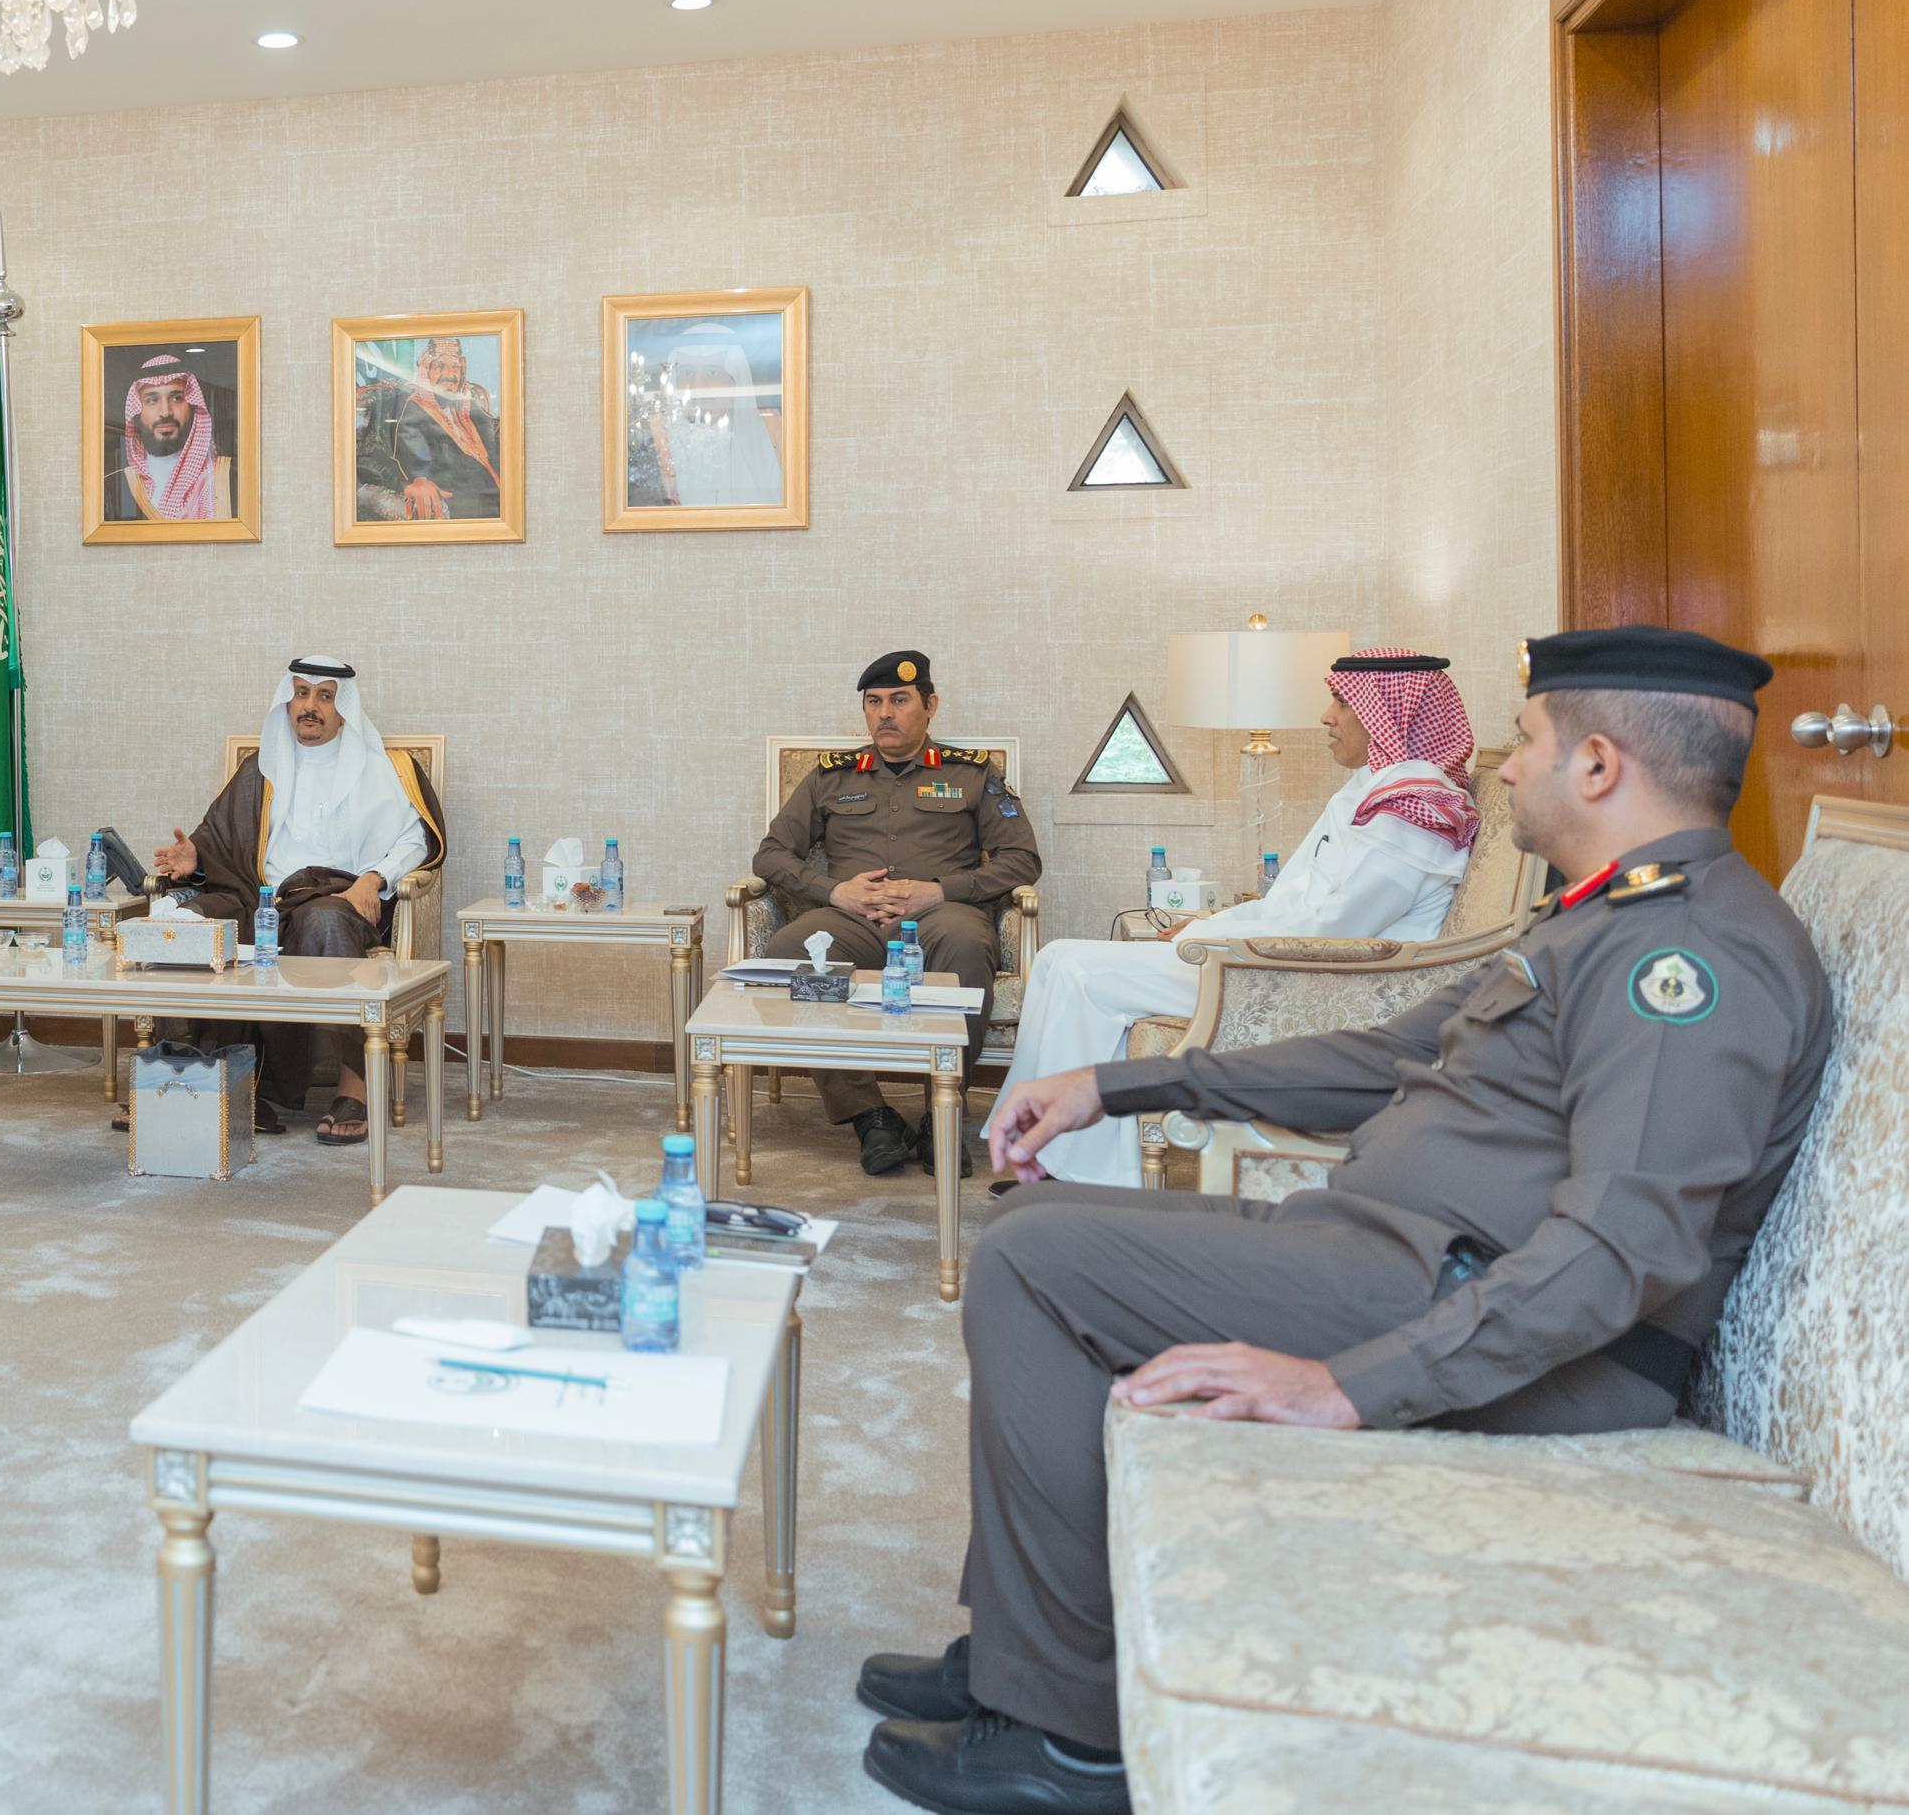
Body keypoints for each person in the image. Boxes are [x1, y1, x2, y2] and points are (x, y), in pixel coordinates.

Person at [850, 626, 1832, 1815]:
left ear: (1596, 765)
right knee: (1051, 1224)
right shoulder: (1593, 918)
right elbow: (1378, 1055)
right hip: (1392, 1254)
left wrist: (1347, 1386)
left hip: (1498, 1318)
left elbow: (1616, 1254)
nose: (1503, 769)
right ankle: (1024, 1646)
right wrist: (1119, 1084)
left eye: (1524, 741)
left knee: (1029, 1257)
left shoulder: (1683, 954)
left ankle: (1064, 1738)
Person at [1001, 651, 1478, 1186]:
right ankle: (1039, 1148)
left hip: (1306, 980)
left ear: (1390, 714)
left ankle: (1060, 1168)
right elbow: (1289, 904)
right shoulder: (1373, 791)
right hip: (1277, 959)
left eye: (1343, 702)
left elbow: (1330, 932)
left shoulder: (1412, 814)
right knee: (1055, 958)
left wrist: (1213, 934)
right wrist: (1210, 924)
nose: (1326, 716)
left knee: (1077, 971)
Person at [755, 650, 1041, 1174]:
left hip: (940, 917)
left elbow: (1022, 859)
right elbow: (771, 855)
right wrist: (834, 891)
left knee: (965, 945)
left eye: (900, 700)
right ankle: (869, 1115)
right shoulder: (832, 776)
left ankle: (941, 1113)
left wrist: (941, 891)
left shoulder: (972, 773)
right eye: (874, 702)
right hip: (850, 920)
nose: (885, 713)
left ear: (930, 705)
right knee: (791, 948)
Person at [146, 656, 446, 1140]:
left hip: (336, 894)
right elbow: (222, 839)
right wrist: (196, 858)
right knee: (189, 923)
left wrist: (374, 878)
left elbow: (415, 841)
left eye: (325, 696)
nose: (311, 706)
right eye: (301, 693)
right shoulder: (260, 768)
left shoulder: (385, 769)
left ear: (344, 707)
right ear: (287, 702)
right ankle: (185, 1079)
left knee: (325, 922)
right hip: (256, 897)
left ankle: (355, 1087)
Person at [624, 320, 786, 510]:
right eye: (687, 372)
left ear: (734, 380)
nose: (697, 385)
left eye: (713, 371)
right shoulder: (652, 440)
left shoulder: (769, 436)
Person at [352, 337, 504, 522]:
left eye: (455, 367)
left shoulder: (469, 409)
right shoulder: (409, 410)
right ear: (426, 371)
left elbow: (494, 437)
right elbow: (386, 458)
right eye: (440, 366)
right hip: (465, 506)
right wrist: (415, 482)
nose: (449, 374)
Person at [104, 351, 234, 522]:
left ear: (193, 406)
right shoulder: (115, 481)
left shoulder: (224, 478)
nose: (165, 412)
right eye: (152, 400)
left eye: (177, 398)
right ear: (136, 412)